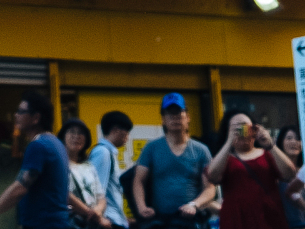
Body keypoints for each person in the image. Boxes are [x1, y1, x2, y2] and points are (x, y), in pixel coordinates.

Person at [0, 94, 72, 229]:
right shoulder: (56, 143)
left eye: (21, 111)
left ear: (36, 118)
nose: (15, 115)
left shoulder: (38, 145)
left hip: (43, 224)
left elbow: (20, 187)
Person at [130, 93, 209, 227]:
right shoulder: (151, 148)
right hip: (160, 221)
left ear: (188, 117)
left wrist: (194, 205)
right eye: (169, 114)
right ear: (163, 120)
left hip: (191, 221)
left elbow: (210, 187)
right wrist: (142, 207)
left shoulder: (201, 150)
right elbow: (139, 180)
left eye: (179, 113)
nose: (174, 118)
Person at [204, 111, 294, 229]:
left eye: (245, 126)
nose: (241, 131)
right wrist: (229, 142)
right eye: (236, 128)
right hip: (236, 220)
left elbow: (289, 173)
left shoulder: (267, 155)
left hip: (268, 218)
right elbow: (212, 175)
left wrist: (270, 145)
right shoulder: (226, 159)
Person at [91, 111, 134, 227]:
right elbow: (96, 191)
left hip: (115, 219)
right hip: (108, 220)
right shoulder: (103, 153)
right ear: (115, 130)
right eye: (126, 132)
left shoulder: (108, 153)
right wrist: (100, 218)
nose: (127, 137)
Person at [61, 120, 105, 224]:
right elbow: (64, 194)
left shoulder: (89, 166)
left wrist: (98, 210)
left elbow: (101, 197)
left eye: (81, 133)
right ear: (63, 137)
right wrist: (93, 215)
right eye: (72, 132)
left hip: (90, 222)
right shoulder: (58, 164)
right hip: (69, 222)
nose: (76, 136)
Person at [274, 128, 305, 228]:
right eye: (289, 138)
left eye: (298, 139)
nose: (294, 142)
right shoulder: (275, 174)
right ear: (281, 142)